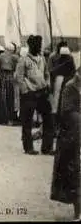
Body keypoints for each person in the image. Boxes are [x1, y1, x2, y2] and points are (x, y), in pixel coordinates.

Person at [15, 35, 55, 156]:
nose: (38, 47)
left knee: (49, 119)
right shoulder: (24, 59)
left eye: (39, 45)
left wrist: (47, 85)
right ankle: (28, 147)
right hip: (30, 94)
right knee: (27, 121)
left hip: (42, 92)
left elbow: (47, 74)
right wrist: (26, 90)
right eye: (36, 45)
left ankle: (47, 148)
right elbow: (19, 77)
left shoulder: (42, 58)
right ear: (30, 46)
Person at [50, 66, 80, 221]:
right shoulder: (71, 87)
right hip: (74, 136)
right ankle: (78, 211)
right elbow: (67, 112)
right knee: (75, 172)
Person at [0, 42, 20, 125]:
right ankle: (10, 119)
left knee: (3, 99)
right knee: (11, 99)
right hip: (11, 78)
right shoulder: (15, 57)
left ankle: (3, 118)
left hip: (2, 78)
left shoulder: (0, 56)